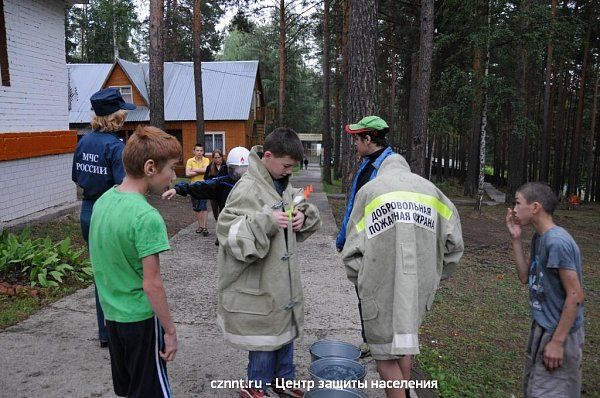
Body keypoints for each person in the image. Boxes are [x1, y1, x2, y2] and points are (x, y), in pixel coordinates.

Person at [341, 151, 463, 398]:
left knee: (383, 355)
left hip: (379, 287)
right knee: (405, 343)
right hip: (419, 287)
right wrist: (437, 274)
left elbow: (351, 250)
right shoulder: (432, 192)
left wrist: (362, 279)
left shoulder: (370, 191)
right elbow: (455, 245)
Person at [216, 128, 321, 398]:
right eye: (286, 166)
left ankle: (283, 379)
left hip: (280, 283)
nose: (289, 172)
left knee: (283, 329)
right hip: (259, 281)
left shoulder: (281, 182)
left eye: (293, 168)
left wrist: (303, 215)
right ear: (269, 156)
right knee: (263, 337)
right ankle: (255, 385)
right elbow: (227, 231)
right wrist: (266, 221)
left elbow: (301, 195)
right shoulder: (247, 188)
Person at [89, 125, 181, 398]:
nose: (173, 177)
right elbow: (152, 284)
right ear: (151, 167)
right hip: (139, 320)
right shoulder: (146, 217)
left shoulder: (103, 202)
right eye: (171, 169)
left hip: (113, 317)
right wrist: (170, 330)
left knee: (130, 390)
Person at [506, 182, 585, 398]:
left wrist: (558, 342)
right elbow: (525, 276)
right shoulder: (540, 237)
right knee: (535, 389)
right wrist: (515, 239)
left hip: (560, 332)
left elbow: (576, 294)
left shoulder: (557, 242)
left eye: (517, 202)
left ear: (535, 207)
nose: (513, 209)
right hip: (543, 326)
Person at [71, 87, 135, 348]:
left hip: (88, 211)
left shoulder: (83, 141)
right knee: (120, 272)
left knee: (101, 273)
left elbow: (77, 177)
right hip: (109, 212)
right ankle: (121, 330)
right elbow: (124, 186)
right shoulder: (115, 147)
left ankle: (105, 332)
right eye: (123, 113)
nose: (125, 117)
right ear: (115, 117)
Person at [335, 115, 396, 357]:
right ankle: (370, 340)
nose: (355, 145)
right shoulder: (368, 162)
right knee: (364, 293)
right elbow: (354, 205)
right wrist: (343, 238)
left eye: (357, 139)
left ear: (369, 139)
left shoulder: (388, 167)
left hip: (377, 245)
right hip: (360, 241)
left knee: (377, 294)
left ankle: (381, 343)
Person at [162, 147, 249, 246]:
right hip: (228, 229)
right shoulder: (222, 182)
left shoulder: (255, 184)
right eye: (236, 169)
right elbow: (202, 186)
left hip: (247, 230)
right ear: (230, 168)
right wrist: (178, 189)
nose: (240, 172)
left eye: (244, 168)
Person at [186, 143, 211, 235]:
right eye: (197, 150)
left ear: (203, 152)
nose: (199, 152)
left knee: (203, 207)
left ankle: (204, 227)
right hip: (193, 187)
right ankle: (200, 226)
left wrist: (194, 170)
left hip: (204, 186)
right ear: (194, 151)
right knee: (196, 208)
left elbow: (206, 171)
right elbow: (187, 174)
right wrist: (200, 171)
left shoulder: (206, 160)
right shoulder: (190, 161)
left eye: (201, 151)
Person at [204, 149, 228, 222]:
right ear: (213, 158)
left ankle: (222, 228)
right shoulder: (210, 167)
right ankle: (218, 223)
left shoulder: (226, 166)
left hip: (224, 193)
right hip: (213, 194)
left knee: (223, 212)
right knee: (215, 214)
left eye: (219, 157)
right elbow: (206, 179)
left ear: (222, 157)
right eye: (215, 158)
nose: (217, 159)